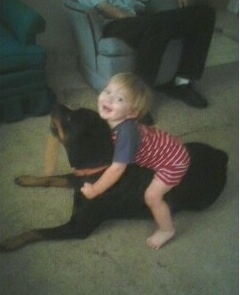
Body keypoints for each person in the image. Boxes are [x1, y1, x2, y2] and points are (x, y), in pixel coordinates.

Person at [73, 73, 191, 249]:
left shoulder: (126, 134)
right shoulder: (115, 122)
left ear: (133, 113)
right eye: (107, 91)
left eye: (120, 99)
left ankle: (167, 230)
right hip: (164, 146)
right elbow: (112, 155)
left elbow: (117, 169)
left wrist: (96, 189)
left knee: (152, 197)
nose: (109, 98)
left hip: (173, 162)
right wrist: (91, 170)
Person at [76, 0, 216, 108]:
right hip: (115, 24)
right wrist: (139, 20)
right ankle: (138, 98)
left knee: (205, 14)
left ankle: (181, 83)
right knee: (156, 26)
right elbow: (104, 7)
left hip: (142, 18)